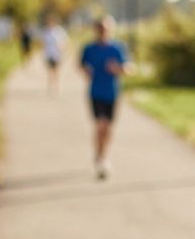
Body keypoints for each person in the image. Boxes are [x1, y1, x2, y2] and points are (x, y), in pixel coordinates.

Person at [78, 15, 130, 179]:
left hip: (113, 93)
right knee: (101, 124)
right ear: (96, 30)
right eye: (100, 28)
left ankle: (103, 154)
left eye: (105, 29)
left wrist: (118, 69)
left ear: (110, 30)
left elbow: (128, 69)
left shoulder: (117, 48)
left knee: (108, 129)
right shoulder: (89, 48)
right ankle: (100, 158)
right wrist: (85, 70)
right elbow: (80, 64)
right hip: (95, 92)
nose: (103, 31)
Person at [41, 15, 69, 96]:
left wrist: (62, 47)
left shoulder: (59, 31)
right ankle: (50, 86)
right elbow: (43, 43)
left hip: (57, 54)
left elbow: (65, 41)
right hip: (48, 54)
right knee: (49, 71)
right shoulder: (45, 32)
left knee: (56, 71)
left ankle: (57, 86)